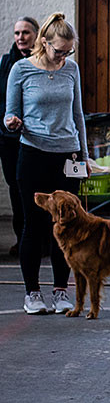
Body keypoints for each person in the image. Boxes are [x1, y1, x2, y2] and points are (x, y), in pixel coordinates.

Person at [4, 13, 87, 315]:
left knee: (68, 226)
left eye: (68, 51)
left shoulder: (72, 70)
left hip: (67, 156)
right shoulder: (21, 69)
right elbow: (10, 113)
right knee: (34, 226)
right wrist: (12, 123)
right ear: (44, 43)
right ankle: (32, 293)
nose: (63, 56)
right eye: (58, 51)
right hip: (33, 154)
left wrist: (85, 156)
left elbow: (78, 115)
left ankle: (61, 291)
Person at [0, 16, 38, 257]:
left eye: (25, 33)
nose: (20, 37)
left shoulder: (42, 62)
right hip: (10, 138)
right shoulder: (6, 63)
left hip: (36, 137)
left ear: (36, 35)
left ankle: (42, 239)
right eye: (17, 33)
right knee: (16, 188)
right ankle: (21, 238)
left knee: (38, 188)